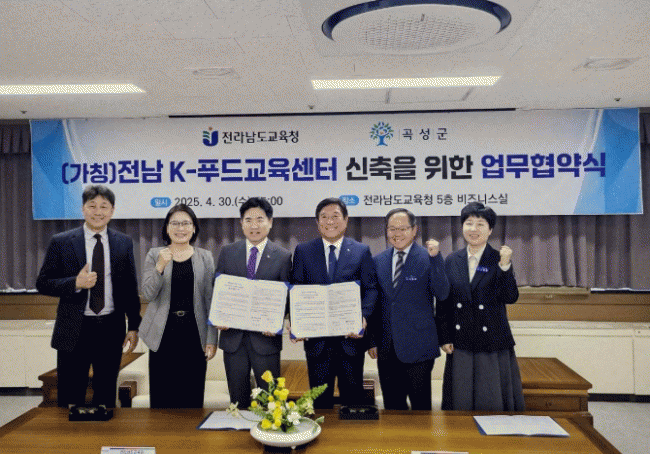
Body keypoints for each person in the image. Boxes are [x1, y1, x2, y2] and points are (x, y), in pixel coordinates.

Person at [36, 185, 141, 408]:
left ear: (112, 210)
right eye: (92, 206)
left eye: (104, 206)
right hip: (74, 329)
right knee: (70, 396)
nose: (98, 212)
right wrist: (74, 283)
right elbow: (43, 283)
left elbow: (129, 287)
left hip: (110, 328)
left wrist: (133, 326)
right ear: (83, 209)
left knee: (105, 395)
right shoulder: (61, 241)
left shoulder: (123, 242)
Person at [437, 201, 525, 411]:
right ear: (462, 227)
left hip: (491, 341)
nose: (473, 229)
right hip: (461, 340)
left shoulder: (498, 259)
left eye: (480, 224)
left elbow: (510, 297)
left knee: (490, 399)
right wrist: (444, 336)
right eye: (469, 223)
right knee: (461, 399)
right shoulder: (452, 260)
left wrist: (505, 266)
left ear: (490, 229)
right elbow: (444, 303)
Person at [291, 197, 378, 409]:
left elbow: (371, 289)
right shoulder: (304, 251)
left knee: (353, 402)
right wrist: (297, 322)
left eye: (335, 216)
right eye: (324, 217)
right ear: (317, 222)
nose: (330, 221)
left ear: (346, 220)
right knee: (319, 403)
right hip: (317, 343)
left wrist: (364, 317)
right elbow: (296, 290)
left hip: (351, 341)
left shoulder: (361, 251)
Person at [367, 208, 449, 410]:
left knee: (421, 408)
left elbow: (442, 293)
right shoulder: (378, 261)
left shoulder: (428, 257)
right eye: (392, 229)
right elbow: (373, 304)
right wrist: (371, 340)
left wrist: (436, 259)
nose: (397, 234)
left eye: (403, 229)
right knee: (392, 408)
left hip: (419, 347)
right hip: (386, 348)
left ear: (414, 230)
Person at [215, 197, 292, 408]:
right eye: (248, 220)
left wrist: (275, 319)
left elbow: (286, 296)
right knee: (237, 400)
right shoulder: (228, 252)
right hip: (233, 339)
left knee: (271, 400)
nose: (254, 225)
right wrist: (220, 315)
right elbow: (219, 289)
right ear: (241, 223)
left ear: (270, 222)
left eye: (260, 219)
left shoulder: (283, 256)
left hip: (266, 339)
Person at [139, 204, 216, 408]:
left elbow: (210, 300)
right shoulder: (155, 254)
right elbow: (148, 294)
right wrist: (160, 266)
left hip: (194, 333)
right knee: (162, 397)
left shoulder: (205, 256)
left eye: (186, 223)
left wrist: (212, 338)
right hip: (162, 333)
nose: (180, 228)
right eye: (175, 223)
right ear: (166, 228)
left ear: (194, 228)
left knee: (192, 396)